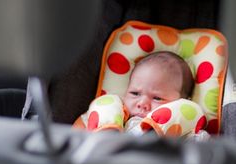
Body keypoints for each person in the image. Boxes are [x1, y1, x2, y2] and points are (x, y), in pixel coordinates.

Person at [74, 51, 208, 139]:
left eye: (157, 98)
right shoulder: (116, 116)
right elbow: (73, 135)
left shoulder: (183, 131)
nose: (142, 103)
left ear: (181, 101)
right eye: (135, 93)